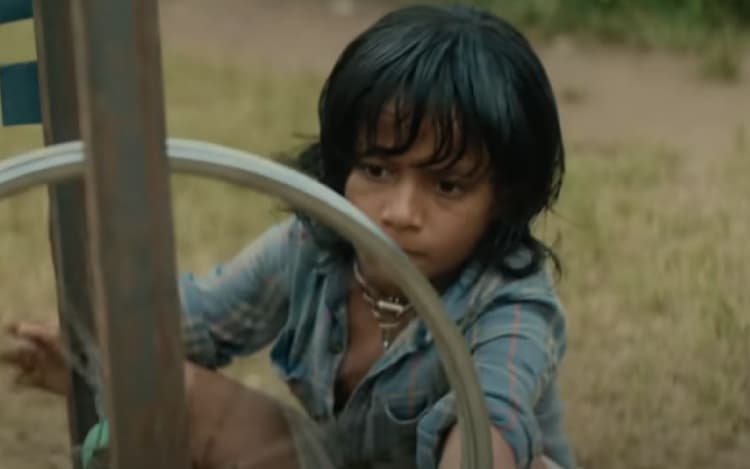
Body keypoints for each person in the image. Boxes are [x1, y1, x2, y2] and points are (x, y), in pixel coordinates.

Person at [1, 4, 575, 469]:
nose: (400, 212)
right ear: (342, 163)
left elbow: (492, 420)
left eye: (446, 185)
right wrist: (93, 359)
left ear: (503, 198)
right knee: (177, 391)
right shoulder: (314, 248)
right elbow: (191, 323)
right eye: (377, 170)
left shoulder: (511, 303)